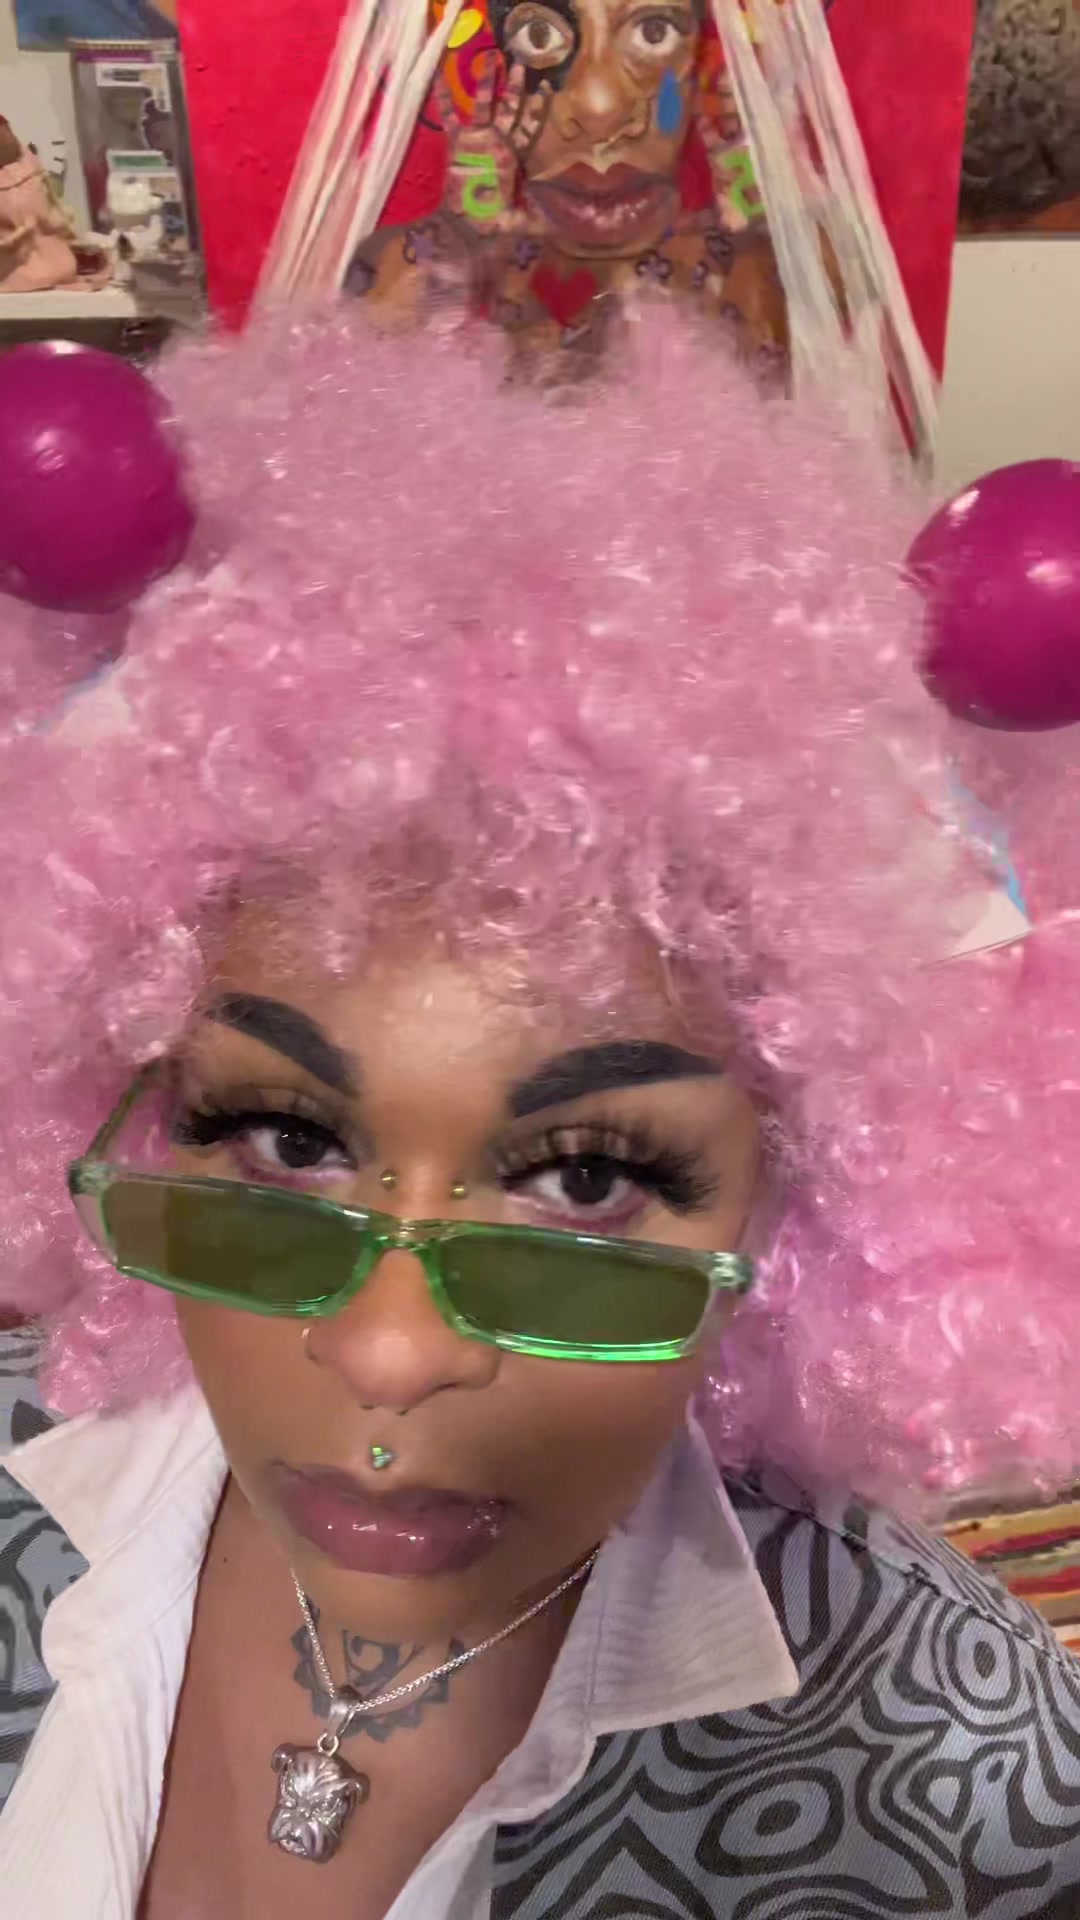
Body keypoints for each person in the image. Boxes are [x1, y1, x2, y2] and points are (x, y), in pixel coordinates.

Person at [2, 310, 1080, 1919]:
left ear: (808, 1215)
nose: (389, 1350)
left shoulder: (970, 1790)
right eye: (285, 1141)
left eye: (585, 1179)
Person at [347, 0, 787, 370]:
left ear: (704, 63)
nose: (600, 107)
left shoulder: (740, 277)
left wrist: (757, 251)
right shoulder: (426, 274)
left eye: (654, 32)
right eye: (538, 35)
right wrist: (460, 234)